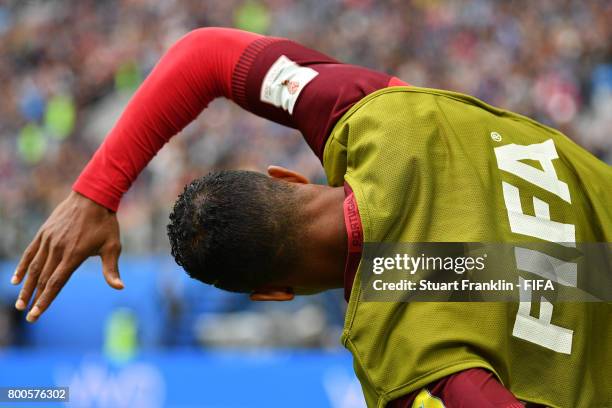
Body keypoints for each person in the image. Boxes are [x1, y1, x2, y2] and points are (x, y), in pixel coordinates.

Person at [11, 27, 611, 407]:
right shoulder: (374, 118)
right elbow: (205, 58)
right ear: (287, 177)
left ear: (274, 293)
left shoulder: (406, 361)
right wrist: (95, 193)